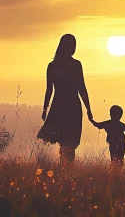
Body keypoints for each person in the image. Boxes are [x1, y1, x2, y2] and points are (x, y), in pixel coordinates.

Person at [37, 34, 92, 163]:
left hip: (58, 106)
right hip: (73, 106)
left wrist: (45, 109)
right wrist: (88, 109)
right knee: (71, 141)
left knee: (63, 140)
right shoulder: (76, 65)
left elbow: (49, 90)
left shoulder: (52, 66)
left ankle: (64, 167)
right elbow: (81, 88)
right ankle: (67, 168)